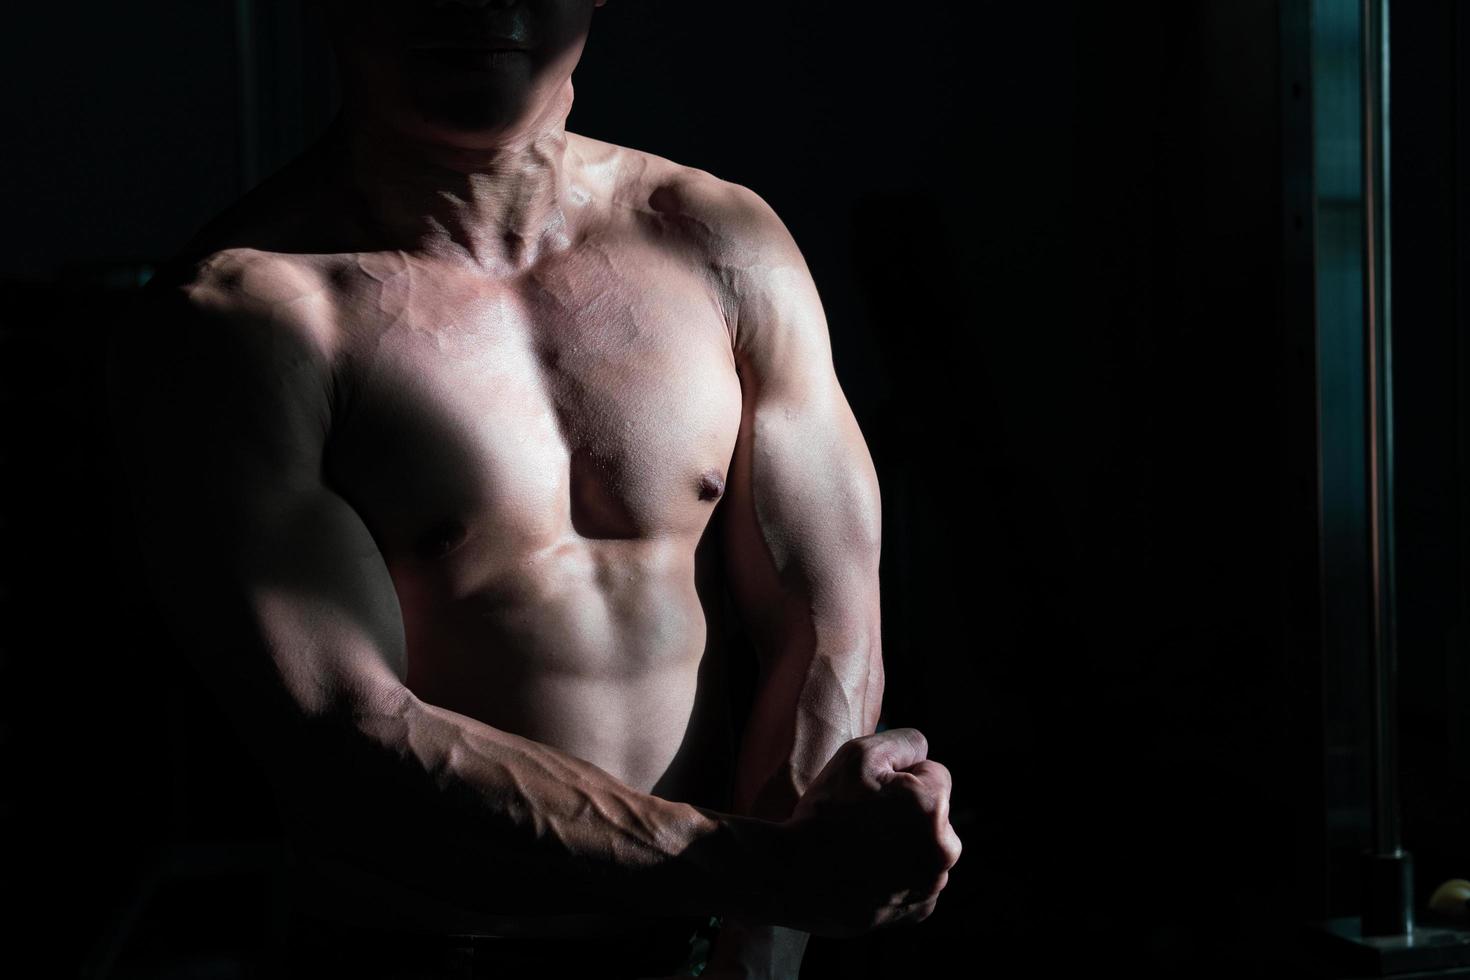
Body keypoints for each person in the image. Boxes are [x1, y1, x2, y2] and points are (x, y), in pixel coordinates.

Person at [106, 0, 962, 976]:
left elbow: (826, 624)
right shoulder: (241, 320)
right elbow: (346, 731)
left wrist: (763, 944)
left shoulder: (722, 243)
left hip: (719, 942)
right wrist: (760, 871)